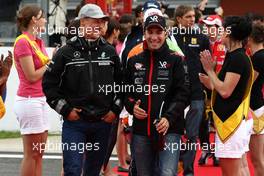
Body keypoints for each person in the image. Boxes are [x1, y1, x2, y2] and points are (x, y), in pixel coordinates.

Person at [42, 4, 123, 176]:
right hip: (75, 124)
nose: (99, 25)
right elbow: (49, 85)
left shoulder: (110, 52)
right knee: (72, 170)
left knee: (93, 171)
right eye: (95, 21)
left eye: (101, 22)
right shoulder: (65, 52)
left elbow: (122, 85)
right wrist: (65, 110)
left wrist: (114, 111)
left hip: (103, 123)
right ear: (82, 23)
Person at [124, 14, 189, 176]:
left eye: (158, 32)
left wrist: (168, 117)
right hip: (140, 131)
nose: (154, 37)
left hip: (170, 129)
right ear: (144, 34)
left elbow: (183, 94)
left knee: (167, 173)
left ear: (165, 34)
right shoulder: (133, 61)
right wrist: (132, 107)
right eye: (150, 32)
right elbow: (125, 92)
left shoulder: (177, 60)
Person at [199, 16, 253, 176]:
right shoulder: (235, 55)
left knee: (231, 172)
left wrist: (209, 70)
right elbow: (218, 86)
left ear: (229, 33)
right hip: (233, 121)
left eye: (222, 29)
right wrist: (208, 79)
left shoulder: (237, 58)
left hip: (231, 123)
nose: (219, 32)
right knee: (242, 168)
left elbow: (225, 91)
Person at [173, 5, 210, 176]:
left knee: (192, 135)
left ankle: (188, 171)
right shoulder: (170, 37)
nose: (192, 19)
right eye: (188, 16)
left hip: (196, 92)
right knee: (173, 133)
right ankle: (173, 166)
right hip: (175, 93)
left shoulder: (202, 38)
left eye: (193, 16)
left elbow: (209, 66)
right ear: (178, 19)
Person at [13, 5, 50, 176]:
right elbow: (32, 76)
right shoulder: (22, 41)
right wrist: (50, 63)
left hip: (39, 99)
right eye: (42, 16)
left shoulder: (37, 41)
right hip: (29, 100)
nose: (45, 20)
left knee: (39, 154)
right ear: (34, 20)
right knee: (31, 154)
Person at [198, 14, 225, 166]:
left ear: (218, 28)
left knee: (216, 122)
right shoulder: (202, 42)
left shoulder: (224, 45)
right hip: (202, 87)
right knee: (202, 122)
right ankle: (205, 150)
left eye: (210, 26)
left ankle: (217, 152)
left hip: (218, 88)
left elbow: (220, 70)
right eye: (206, 26)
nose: (207, 29)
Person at [248, 22, 264, 176]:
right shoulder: (258, 56)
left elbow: (247, 85)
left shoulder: (259, 57)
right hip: (257, 106)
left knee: (258, 159)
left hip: (256, 109)